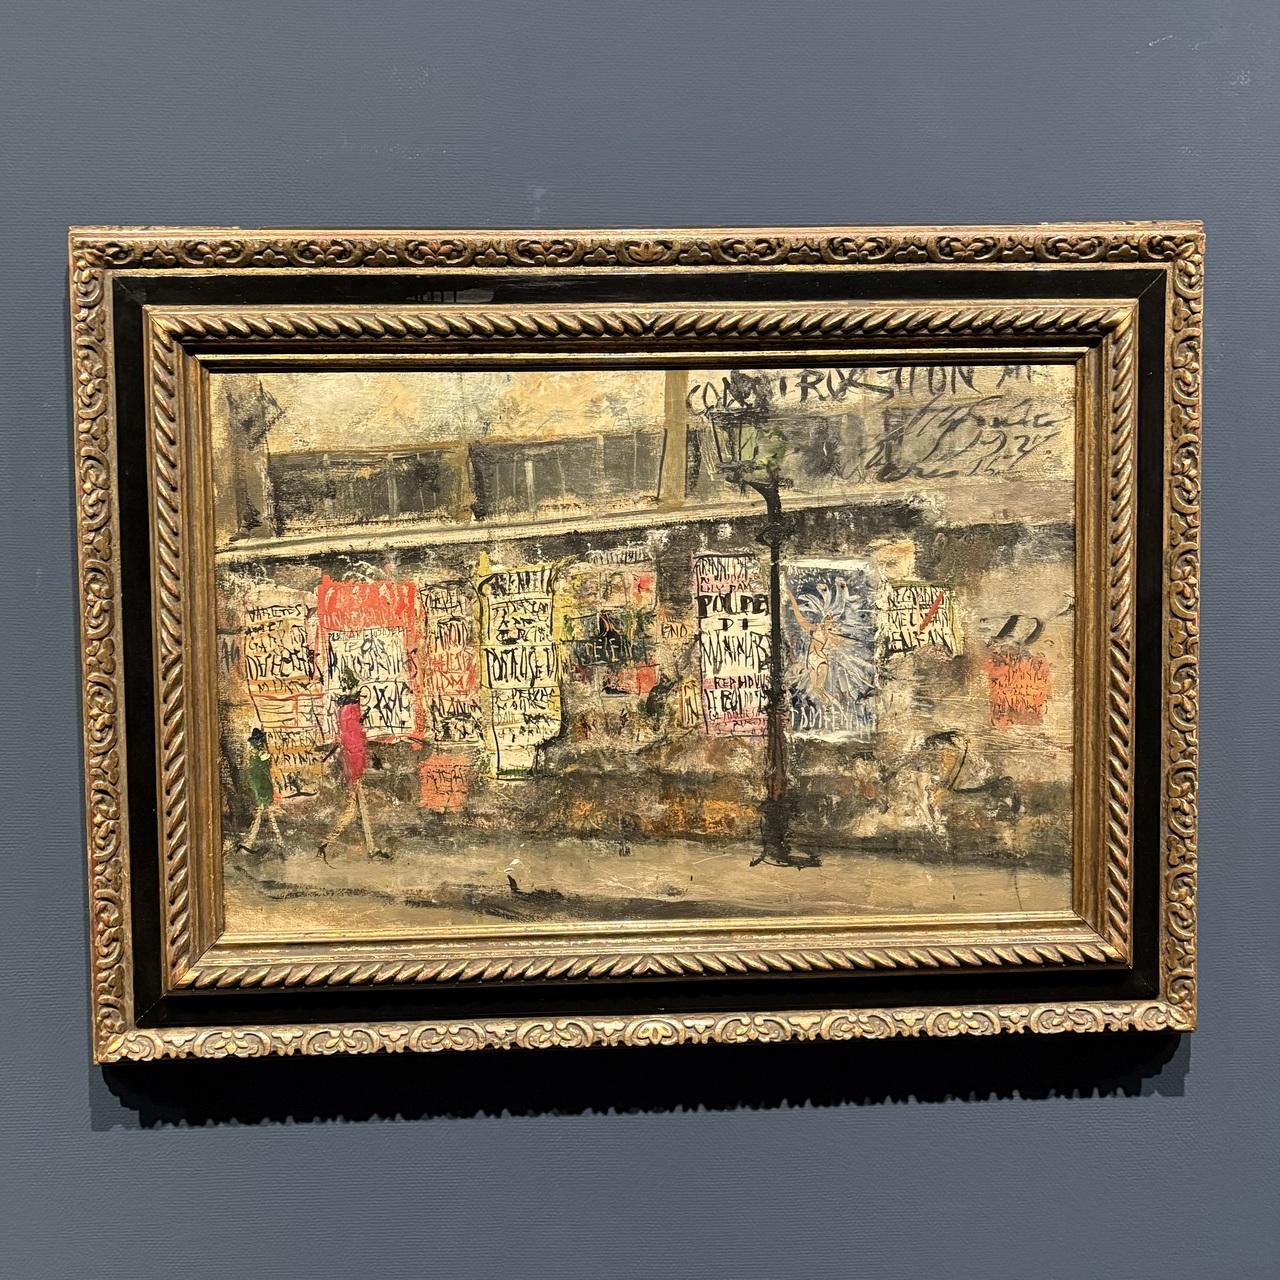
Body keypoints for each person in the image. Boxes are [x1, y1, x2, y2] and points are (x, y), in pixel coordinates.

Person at [318, 666, 388, 862]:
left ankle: (370, 847)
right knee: (352, 809)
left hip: (353, 765)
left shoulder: (346, 714)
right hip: (354, 766)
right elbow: (356, 744)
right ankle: (327, 843)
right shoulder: (351, 715)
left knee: (360, 808)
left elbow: (355, 742)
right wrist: (368, 760)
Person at [239, 727, 283, 855]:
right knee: (264, 812)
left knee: (263, 812)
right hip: (261, 784)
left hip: (260, 783)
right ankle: (275, 839)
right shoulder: (260, 753)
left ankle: (252, 841)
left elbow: (258, 769)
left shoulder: (254, 753)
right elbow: (264, 765)